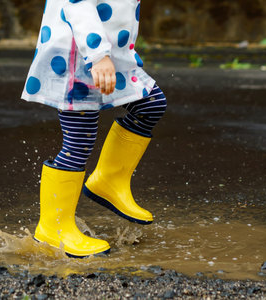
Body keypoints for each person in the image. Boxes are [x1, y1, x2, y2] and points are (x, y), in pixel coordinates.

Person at [21, 0, 167, 258]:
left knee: (151, 104)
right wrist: (98, 55)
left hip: (113, 53)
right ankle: (53, 227)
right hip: (79, 55)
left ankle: (109, 180)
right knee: (79, 143)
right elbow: (77, 4)